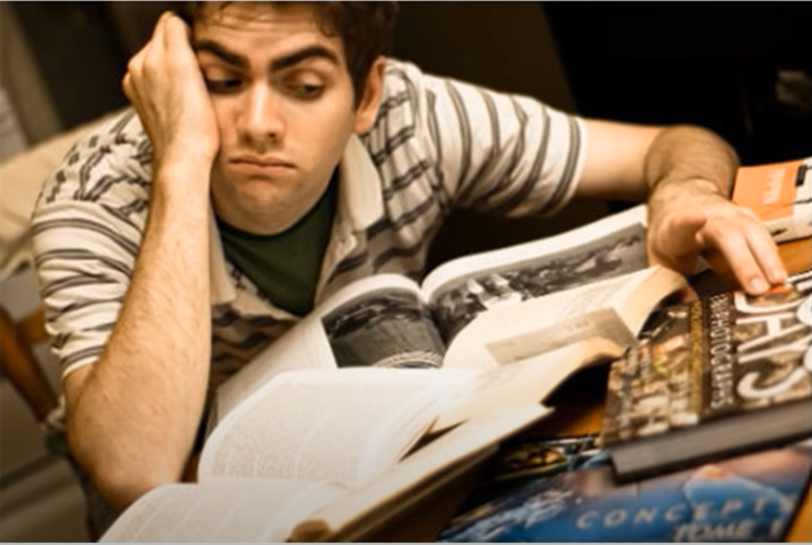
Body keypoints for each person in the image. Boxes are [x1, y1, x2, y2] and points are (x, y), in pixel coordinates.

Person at [30, 1, 788, 536]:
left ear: (366, 95)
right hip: (202, 501)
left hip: (392, 465)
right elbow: (135, 468)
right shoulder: (94, 198)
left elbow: (673, 144)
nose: (258, 123)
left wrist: (686, 192)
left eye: (303, 86)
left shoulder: (412, 117)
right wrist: (181, 162)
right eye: (221, 81)